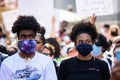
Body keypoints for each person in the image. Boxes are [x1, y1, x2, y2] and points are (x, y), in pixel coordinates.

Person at [0, 16, 57, 80]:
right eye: (24, 37)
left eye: (31, 36)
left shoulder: (46, 61)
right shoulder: (7, 64)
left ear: (35, 36)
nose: (28, 40)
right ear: (18, 38)